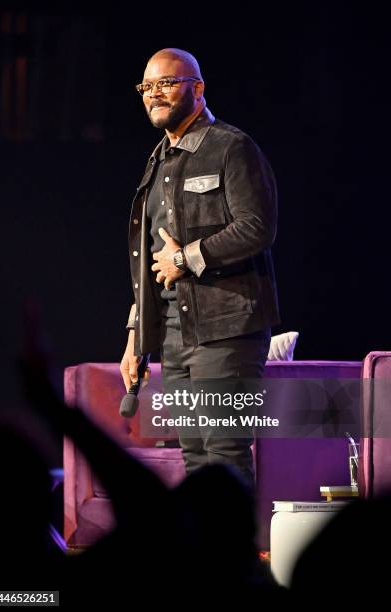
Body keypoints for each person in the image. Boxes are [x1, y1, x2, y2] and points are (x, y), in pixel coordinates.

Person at [120, 48, 280, 483]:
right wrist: (136, 334)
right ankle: (203, 552)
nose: (155, 94)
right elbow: (148, 260)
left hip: (227, 329)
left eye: (166, 83)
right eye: (147, 87)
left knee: (225, 453)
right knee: (194, 457)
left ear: (198, 88)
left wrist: (185, 258)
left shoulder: (232, 147)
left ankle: (233, 551)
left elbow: (258, 227)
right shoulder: (157, 162)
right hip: (174, 333)